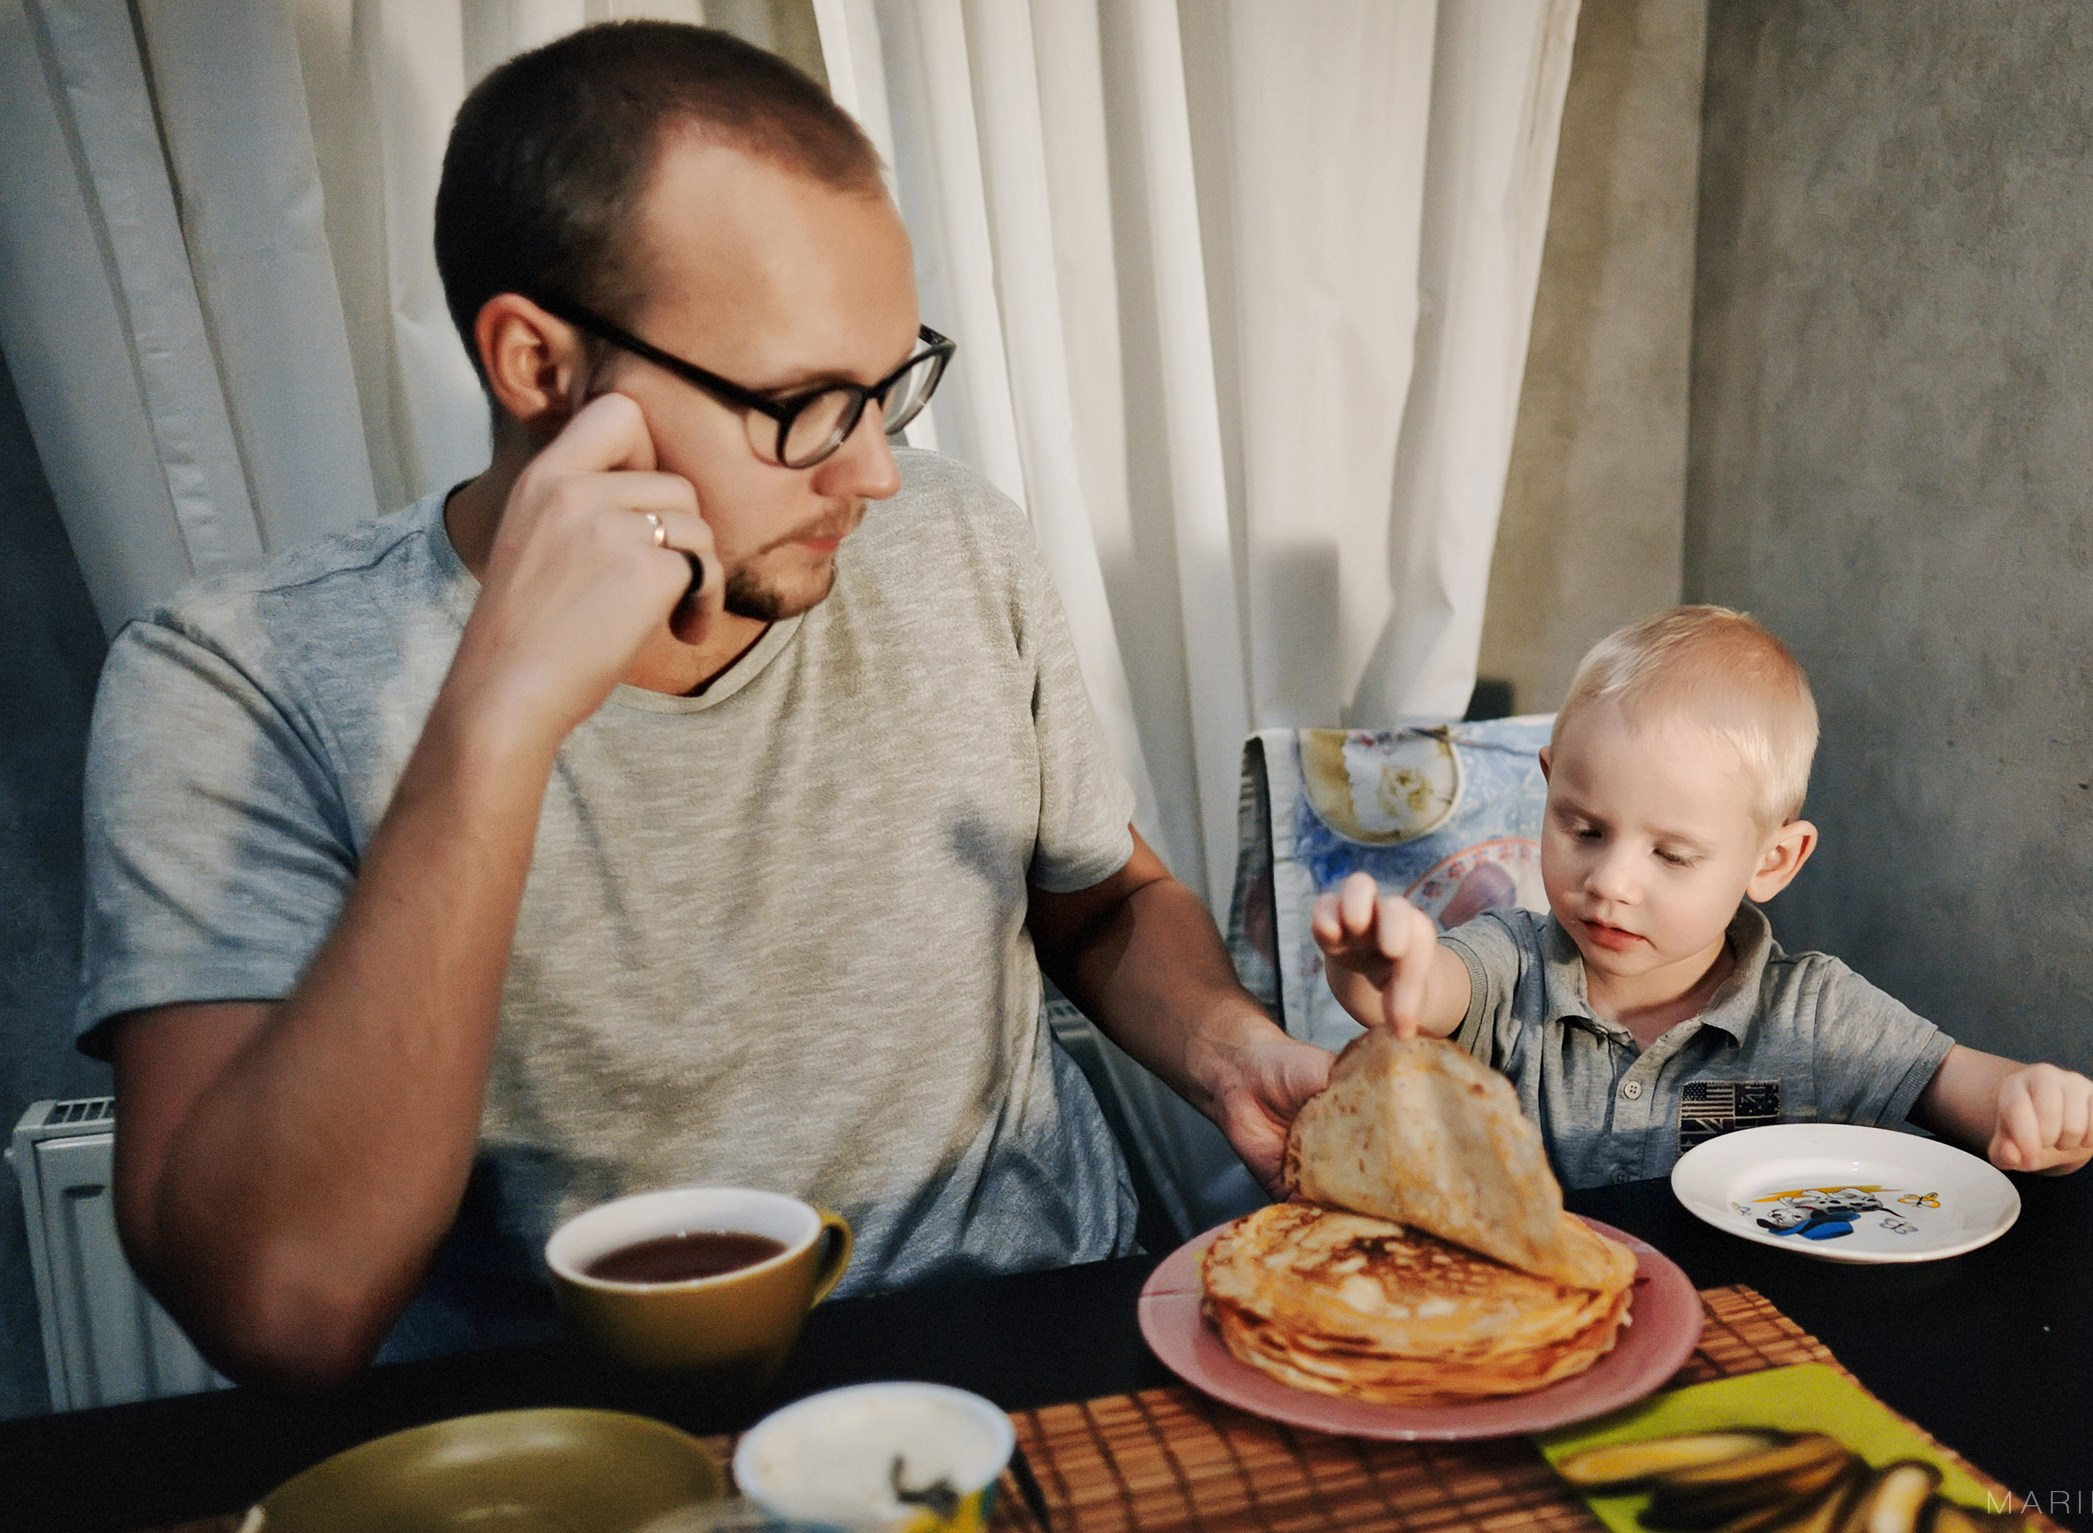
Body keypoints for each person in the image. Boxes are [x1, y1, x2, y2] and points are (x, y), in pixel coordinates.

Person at [77, 22, 1330, 1388]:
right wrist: (497, 717)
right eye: (799, 404)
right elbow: (280, 1306)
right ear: (537, 367)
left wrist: (1223, 1047)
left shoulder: (956, 543)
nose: (875, 478)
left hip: (1040, 1348)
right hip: (606, 1429)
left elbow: (1098, 898)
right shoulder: (226, 682)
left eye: (887, 386)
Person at [1312, 605, 2093, 1188]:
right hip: (1533, 1336)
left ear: (1773, 860)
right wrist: (1378, 965)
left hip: (1746, 1338)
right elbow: (1415, 994)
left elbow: (1960, 1084)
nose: (1612, 881)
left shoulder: (1813, 1013)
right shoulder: (1511, 960)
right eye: (1584, 829)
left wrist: (2037, 1104)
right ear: (1549, 785)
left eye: (1672, 853)